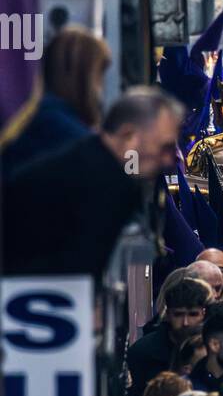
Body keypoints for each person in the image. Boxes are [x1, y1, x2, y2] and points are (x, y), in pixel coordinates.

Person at [3, 86, 183, 282]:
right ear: (129, 137)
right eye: (164, 147)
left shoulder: (87, 159)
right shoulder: (108, 187)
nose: (168, 160)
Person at [1, 25, 111, 177]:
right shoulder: (51, 119)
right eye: (99, 75)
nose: (101, 86)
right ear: (84, 77)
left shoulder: (38, 110)